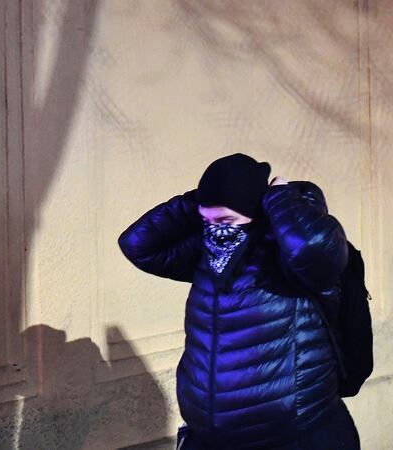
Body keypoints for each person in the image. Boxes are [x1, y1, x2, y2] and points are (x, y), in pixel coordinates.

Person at [118, 153, 361, 449]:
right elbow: (138, 245)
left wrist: (279, 198)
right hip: (211, 436)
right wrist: (200, 200)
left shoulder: (286, 257)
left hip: (289, 437)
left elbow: (313, 250)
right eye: (207, 220)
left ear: (254, 210)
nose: (216, 230)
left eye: (225, 220)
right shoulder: (210, 253)